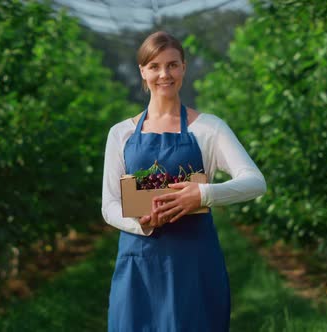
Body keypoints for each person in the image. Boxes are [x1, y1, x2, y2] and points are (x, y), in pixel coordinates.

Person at [101, 31, 267, 331]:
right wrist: (143, 223)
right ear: (142, 71)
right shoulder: (120, 134)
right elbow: (109, 204)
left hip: (194, 265)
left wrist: (202, 195)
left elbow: (255, 182)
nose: (164, 74)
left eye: (172, 65)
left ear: (184, 68)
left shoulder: (209, 128)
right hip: (140, 264)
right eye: (154, 66)